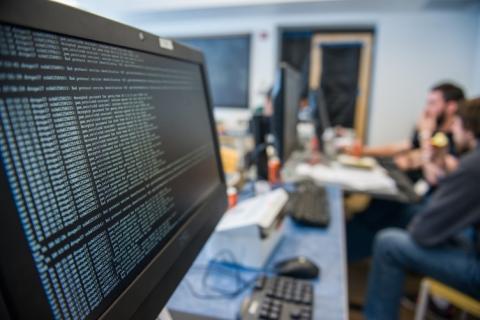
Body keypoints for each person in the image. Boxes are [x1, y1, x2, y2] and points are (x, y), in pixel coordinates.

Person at [364, 97, 480, 320]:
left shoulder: (473, 165)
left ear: (469, 127)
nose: (454, 129)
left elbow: (422, 233)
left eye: (458, 123)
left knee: (389, 243)